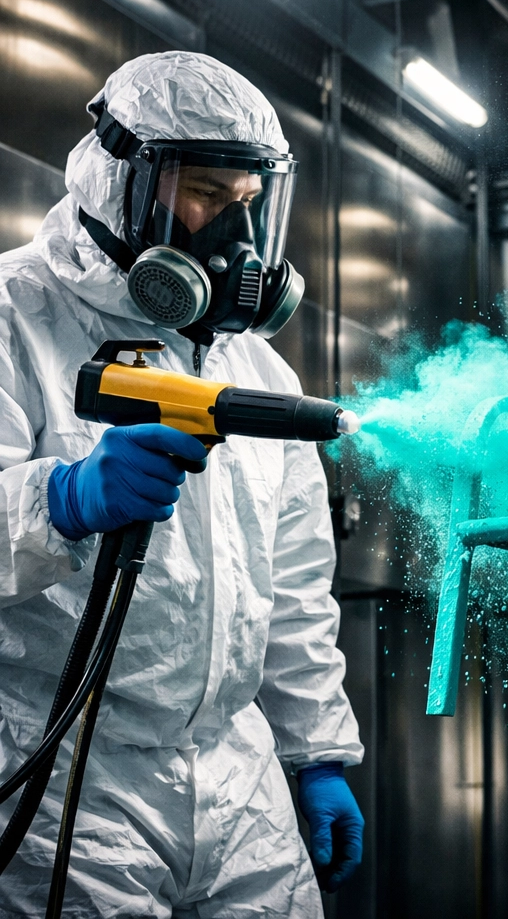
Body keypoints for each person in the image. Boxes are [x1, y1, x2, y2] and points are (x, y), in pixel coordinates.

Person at [0, 51, 364, 917]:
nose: (235, 232)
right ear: (121, 182)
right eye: (206, 193)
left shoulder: (258, 369)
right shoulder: (15, 315)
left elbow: (293, 589)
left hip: (237, 772)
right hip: (66, 772)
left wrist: (316, 752)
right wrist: (62, 499)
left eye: (250, 201)